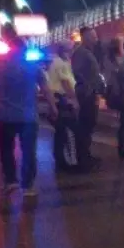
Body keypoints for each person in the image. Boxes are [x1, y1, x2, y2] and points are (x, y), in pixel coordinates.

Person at [0, 24, 56, 200]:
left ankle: (11, 181)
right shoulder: (33, 67)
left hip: (6, 115)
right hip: (28, 116)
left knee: (6, 149)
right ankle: (27, 185)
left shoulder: (1, 65)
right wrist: (53, 106)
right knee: (28, 150)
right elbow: (45, 88)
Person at [70, 27, 104, 171]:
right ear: (85, 37)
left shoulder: (87, 52)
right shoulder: (80, 53)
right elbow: (78, 74)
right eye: (93, 36)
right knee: (84, 127)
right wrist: (88, 88)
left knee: (89, 126)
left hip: (90, 94)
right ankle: (83, 160)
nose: (96, 39)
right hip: (85, 96)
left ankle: (86, 155)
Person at [46, 40, 80, 171]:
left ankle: (61, 161)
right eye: (71, 49)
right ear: (65, 51)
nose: (72, 52)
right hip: (63, 101)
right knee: (69, 132)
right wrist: (75, 100)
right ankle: (70, 163)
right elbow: (66, 83)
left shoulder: (60, 62)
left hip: (59, 101)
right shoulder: (61, 64)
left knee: (60, 133)